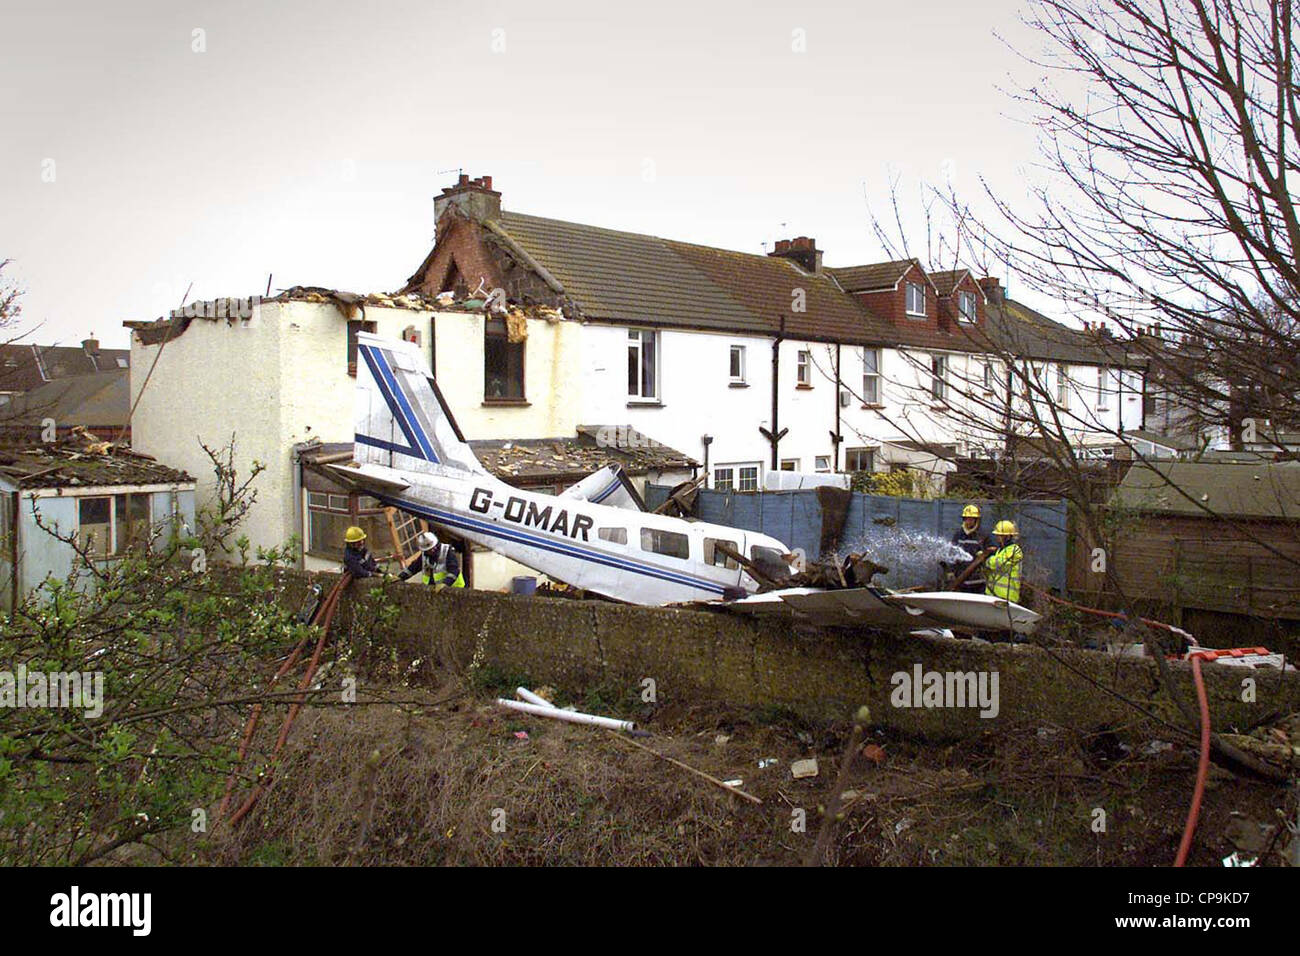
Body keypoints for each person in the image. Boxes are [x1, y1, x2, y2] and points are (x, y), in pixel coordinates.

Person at [946, 504, 992, 594]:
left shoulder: (983, 535)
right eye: (966, 519)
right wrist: (951, 571)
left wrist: (983, 556)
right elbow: (952, 553)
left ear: (976, 520)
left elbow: (991, 552)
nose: (968, 521)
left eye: (971, 519)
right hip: (961, 580)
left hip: (978, 582)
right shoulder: (959, 534)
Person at [399, 531, 465, 588]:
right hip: (433, 587)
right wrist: (401, 577)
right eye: (429, 550)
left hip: (454, 587)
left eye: (433, 547)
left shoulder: (447, 551)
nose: (432, 550)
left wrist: (445, 583)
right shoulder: (424, 555)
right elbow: (414, 567)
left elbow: (454, 571)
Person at [984, 520, 1024, 606]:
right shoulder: (1000, 550)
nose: (997, 538)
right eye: (997, 535)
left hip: (1007, 597)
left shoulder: (1014, 551)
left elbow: (995, 564)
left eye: (1000, 536)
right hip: (993, 595)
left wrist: (987, 559)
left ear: (1008, 537)